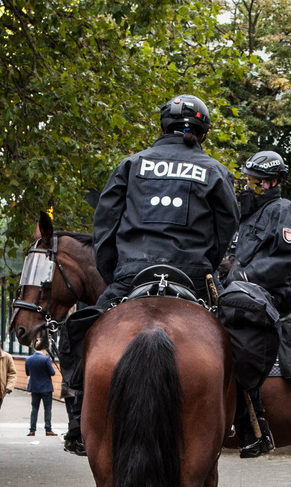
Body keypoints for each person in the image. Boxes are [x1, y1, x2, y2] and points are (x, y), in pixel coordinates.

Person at [57, 94, 240, 454]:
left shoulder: (130, 165)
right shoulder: (215, 171)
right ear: (203, 131)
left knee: (75, 334)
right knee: (242, 335)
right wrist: (206, 268)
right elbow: (226, 229)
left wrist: (115, 276)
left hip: (131, 275)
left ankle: (79, 423)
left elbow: (104, 228)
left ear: (162, 126)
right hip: (193, 278)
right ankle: (248, 419)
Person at [219, 149, 291, 457]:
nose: (248, 187)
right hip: (232, 289)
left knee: (241, 343)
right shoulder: (245, 214)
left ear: (272, 182)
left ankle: (252, 425)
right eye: (248, 180)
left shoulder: (283, 210)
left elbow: (284, 259)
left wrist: (240, 273)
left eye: (255, 182)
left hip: (265, 293)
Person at [25, 339, 57, 437]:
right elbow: (52, 373)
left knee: (34, 408)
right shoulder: (46, 359)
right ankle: (48, 429)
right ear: (43, 349)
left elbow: (27, 373)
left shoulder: (28, 359)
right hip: (46, 388)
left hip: (34, 388)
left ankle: (32, 430)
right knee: (47, 409)